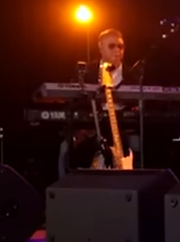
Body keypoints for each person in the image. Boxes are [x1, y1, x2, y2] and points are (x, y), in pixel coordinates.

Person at [58, 28, 138, 173]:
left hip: (122, 128)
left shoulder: (132, 74)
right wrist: (82, 127)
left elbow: (139, 104)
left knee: (137, 145)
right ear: (101, 48)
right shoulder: (87, 72)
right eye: (112, 46)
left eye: (121, 46)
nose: (117, 50)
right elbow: (75, 101)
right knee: (67, 148)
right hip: (92, 127)